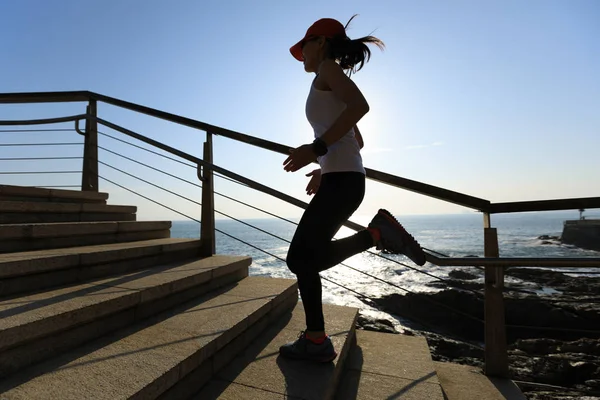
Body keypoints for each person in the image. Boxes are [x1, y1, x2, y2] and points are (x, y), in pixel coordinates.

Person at [280, 16, 426, 363]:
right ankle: (316, 339)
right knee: (304, 259)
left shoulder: (329, 70)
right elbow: (355, 137)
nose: (302, 54)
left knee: (300, 258)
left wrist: (315, 150)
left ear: (322, 43)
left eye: (306, 45)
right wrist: (323, 166)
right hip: (341, 178)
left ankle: (376, 235)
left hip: (344, 182)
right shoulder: (325, 77)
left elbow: (361, 108)